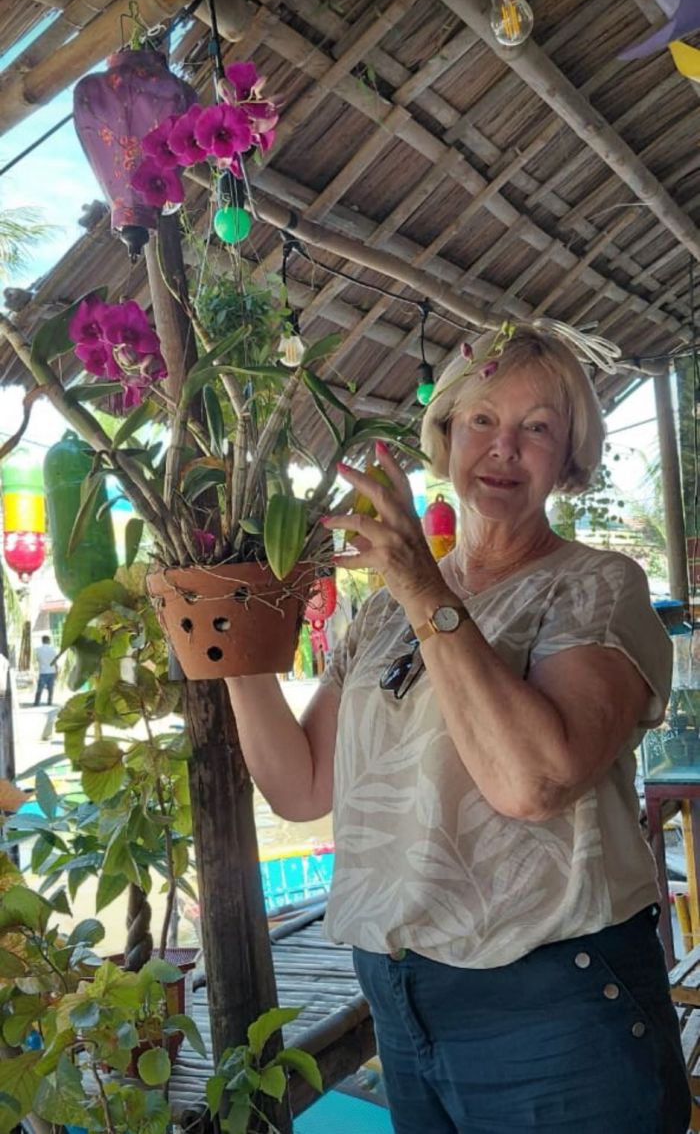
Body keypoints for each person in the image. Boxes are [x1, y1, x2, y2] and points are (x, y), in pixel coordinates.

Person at [226, 322, 691, 1133]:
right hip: (401, 1001)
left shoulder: (594, 584)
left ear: (568, 455)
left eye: (537, 426)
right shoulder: (381, 614)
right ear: (446, 434)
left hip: (552, 1007)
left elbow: (531, 781)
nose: (504, 446)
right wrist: (234, 647)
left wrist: (422, 588)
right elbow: (301, 786)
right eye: (482, 419)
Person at [33, 634, 57, 706]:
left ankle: (37, 702)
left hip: (43, 671)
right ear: (49, 641)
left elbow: (38, 660)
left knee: (40, 688)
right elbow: (55, 661)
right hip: (51, 671)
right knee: (50, 689)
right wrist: (57, 670)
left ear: (42, 641)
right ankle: (49, 702)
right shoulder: (53, 649)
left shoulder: (38, 650)